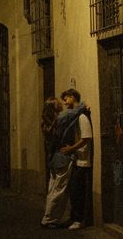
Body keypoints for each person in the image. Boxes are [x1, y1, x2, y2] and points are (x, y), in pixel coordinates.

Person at [40, 97, 86, 229]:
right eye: (59, 103)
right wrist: (82, 104)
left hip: (54, 159)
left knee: (52, 189)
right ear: (55, 108)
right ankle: (49, 220)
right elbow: (78, 109)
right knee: (59, 190)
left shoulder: (46, 122)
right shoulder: (61, 118)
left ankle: (48, 217)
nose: (62, 103)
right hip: (62, 158)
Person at [60, 88, 93, 230]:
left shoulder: (82, 117)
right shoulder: (76, 116)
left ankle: (78, 220)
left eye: (66, 99)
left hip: (83, 161)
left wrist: (71, 148)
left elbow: (86, 138)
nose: (65, 103)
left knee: (78, 191)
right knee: (74, 191)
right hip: (77, 159)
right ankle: (73, 217)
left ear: (73, 97)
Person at [41, 97, 63, 189]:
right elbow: (50, 134)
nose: (61, 104)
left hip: (56, 151)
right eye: (58, 104)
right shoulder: (48, 122)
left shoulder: (58, 118)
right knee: (55, 179)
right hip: (53, 151)